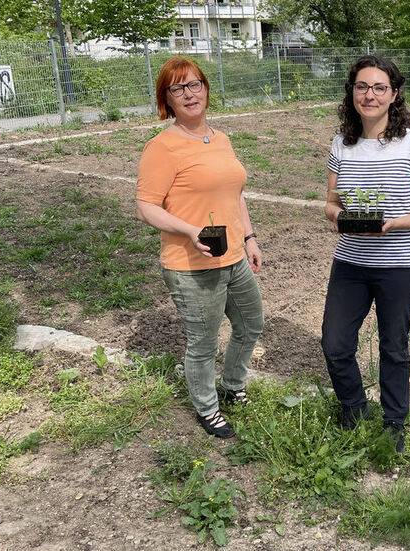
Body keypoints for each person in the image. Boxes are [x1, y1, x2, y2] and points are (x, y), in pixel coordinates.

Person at [135, 57, 264, 439]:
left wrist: (249, 237)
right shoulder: (162, 147)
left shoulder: (220, 138)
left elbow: (235, 194)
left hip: (234, 257)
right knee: (203, 342)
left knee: (250, 323)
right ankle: (207, 407)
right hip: (191, 264)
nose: (189, 94)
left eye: (194, 85)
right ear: (167, 100)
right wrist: (191, 230)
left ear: (206, 89)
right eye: (178, 89)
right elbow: (145, 208)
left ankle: (233, 384)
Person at [321, 55, 410, 452]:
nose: (369, 95)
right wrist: (341, 219)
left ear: (393, 95)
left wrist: (393, 223)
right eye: (361, 86)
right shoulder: (342, 143)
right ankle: (354, 409)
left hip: (399, 265)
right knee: (336, 345)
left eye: (378, 88)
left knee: (393, 348)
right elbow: (331, 203)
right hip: (351, 262)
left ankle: (394, 422)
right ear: (351, 92)